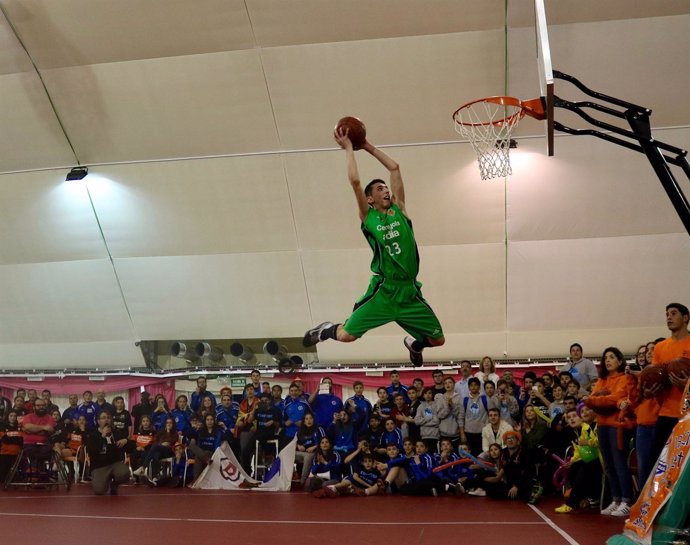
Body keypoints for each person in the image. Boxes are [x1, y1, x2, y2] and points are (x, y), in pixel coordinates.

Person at [302, 128, 445, 366]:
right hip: (384, 291)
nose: (386, 190)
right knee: (347, 336)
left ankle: (414, 344)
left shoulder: (400, 210)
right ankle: (326, 329)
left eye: (386, 188)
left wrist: (366, 145)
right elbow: (355, 182)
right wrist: (349, 148)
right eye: (380, 189)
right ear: (370, 199)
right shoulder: (369, 218)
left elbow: (395, 168)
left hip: (408, 293)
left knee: (438, 340)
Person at [583, 346, 633, 517]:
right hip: (602, 425)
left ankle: (627, 500)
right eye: (605, 358)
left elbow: (615, 399)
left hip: (616, 426)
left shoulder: (625, 378)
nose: (608, 360)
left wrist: (597, 400)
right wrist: (596, 400)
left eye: (612, 357)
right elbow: (591, 400)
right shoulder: (601, 380)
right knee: (609, 466)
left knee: (619, 463)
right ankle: (616, 499)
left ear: (620, 361)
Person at [651, 303, 690, 458]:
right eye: (667, 314)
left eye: (673, 313)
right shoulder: (660, 347)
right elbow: (653, 376)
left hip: (687, 414)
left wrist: (687, 385)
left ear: (685, 318)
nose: (669, 317)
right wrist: (649, 389)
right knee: (661, 461)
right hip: (666, 412)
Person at [86, 411, 130, 495]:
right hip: (99, 466)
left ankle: (114, 484)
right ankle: (105, 479)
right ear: (98, 421)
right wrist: (102, 437)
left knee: (125, 473)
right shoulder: (93, 435)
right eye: (103, 418)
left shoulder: (116, 432)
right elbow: (92, 452)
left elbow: (132, 446)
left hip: (114, 463)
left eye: (108, 418)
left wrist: (126, 440)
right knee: (99, 491)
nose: (106, 420)